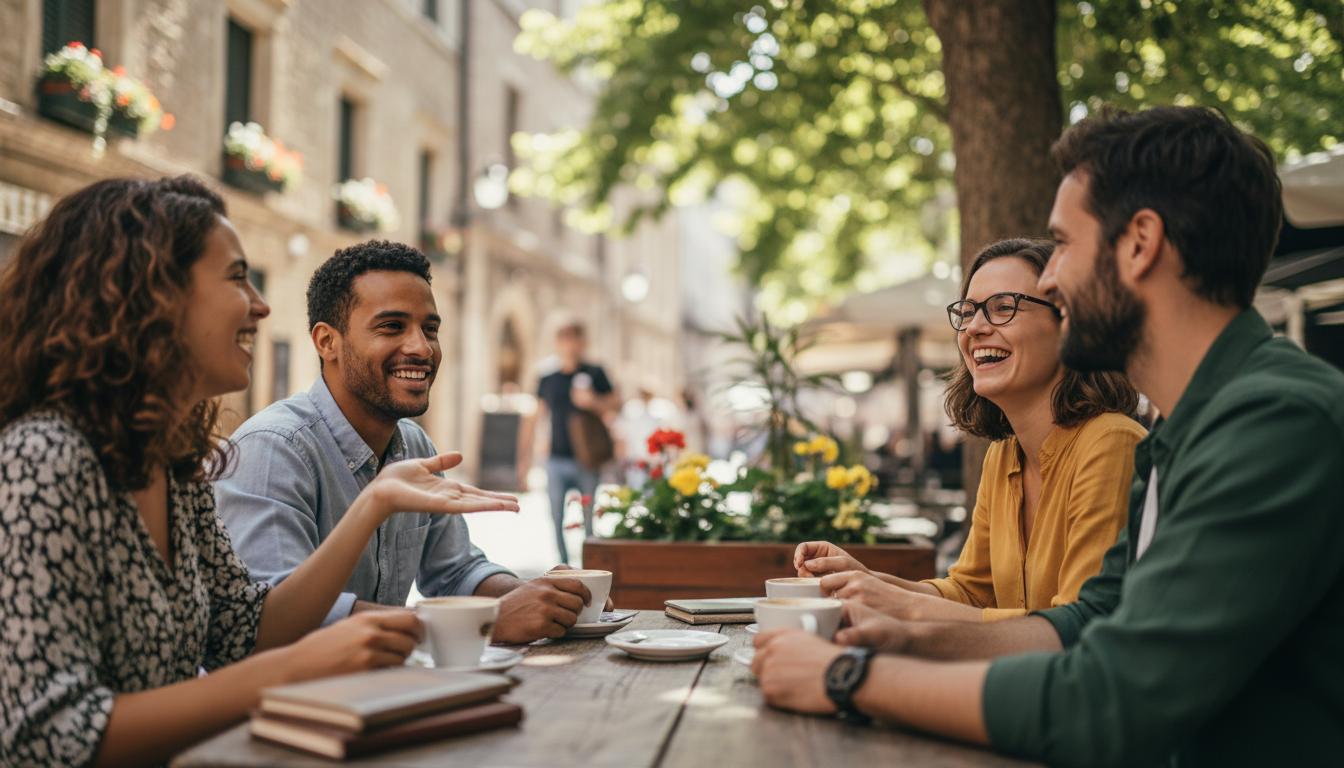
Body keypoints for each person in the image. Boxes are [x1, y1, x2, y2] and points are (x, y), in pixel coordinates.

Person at [752, 106, 1344, 766]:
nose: (1052, 278)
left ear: (1140, 242)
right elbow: (1085, 625)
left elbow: (1110, 696)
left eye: (1062, 243)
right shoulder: (1180, 433)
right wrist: (897, 640)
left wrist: (847, 679)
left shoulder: (1274, 420)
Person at [0, 177, 519, 766]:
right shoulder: (45, 460)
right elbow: (45, 736)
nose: (261, 304)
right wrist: (301, 664)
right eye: (236, 277)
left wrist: (375, 502)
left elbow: (245, 627)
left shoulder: (171, 464)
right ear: (151, 297)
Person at [216, 242, 601, 643]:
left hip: (387, 689)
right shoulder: (274, 450)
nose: (421, 348)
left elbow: (456, 572)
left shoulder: (413, 443)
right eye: (391, 327)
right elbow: (280, 621)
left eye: (430, 329)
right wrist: (485, 621)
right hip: (294, 701)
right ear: (326, 342)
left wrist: (539, 596)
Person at [795, 238, 1144, 622]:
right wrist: (863, 579)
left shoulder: (1111, 443)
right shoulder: (1004, 456)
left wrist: (903, 604)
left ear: (1067, 324)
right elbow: (971, 593)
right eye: (968, 311)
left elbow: (1082, 626)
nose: (975, 327)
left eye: (1003, 308)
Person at [517, 317, 619, 563]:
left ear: (583, 342)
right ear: (557, 343)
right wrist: (523, 459)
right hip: (556, 459)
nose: (569, 344)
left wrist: (593, 401)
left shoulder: (595, 372)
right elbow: (535, 417)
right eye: (564, 339)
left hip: (588, 458)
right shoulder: (548, 377)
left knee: (588, 517)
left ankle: (591, 566)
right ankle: (564, 566)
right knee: (555, 515)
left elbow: (616, 405)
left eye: (574, 338)